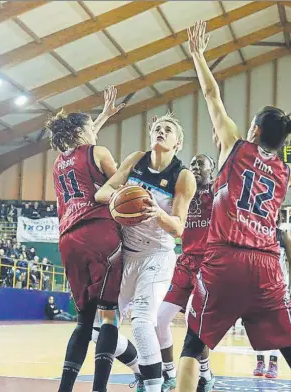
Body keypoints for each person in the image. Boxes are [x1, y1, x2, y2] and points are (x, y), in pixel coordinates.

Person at [177, 21, 291, 392]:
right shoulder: (288, 169)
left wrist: (198, 55)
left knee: (193, 344)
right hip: (267, 265)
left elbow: (211, 94)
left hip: (225, 259)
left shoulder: (234, 146)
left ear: (253, 130)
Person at [96, 113, 197, 392]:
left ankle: (153, 385)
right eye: (157, 128)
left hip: (157, 255)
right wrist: (120, 197)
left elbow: (178, 227)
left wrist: (156, 212)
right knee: (99, 332)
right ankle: (143, 371)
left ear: (178, 143)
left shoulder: (183, 176)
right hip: (126, 255)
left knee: (142, 323)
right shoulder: (136, 160)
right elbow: (103, 192)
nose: (160, 132)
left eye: (167, 130)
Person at [49, 86, 141, 392]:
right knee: (109, 319)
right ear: (81, 131)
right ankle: (99, 389)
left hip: (67, 239)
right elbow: (119, 187)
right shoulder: (99, 153)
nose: (96, 133)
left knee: (83, 322)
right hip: (98, 233)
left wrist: (102, 115)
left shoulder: (58, 162)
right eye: (93, 128)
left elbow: (80, 145)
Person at [155, 153, 215, 392]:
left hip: (209, 265)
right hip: (184, 262)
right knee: (159, 320)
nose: (195, 167)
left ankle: (205, 374)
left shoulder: (218, 193)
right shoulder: (181, 194)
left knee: (195, 321)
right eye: (192, 164)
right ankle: (168, 373)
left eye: (201, 163)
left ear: (212, 168)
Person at [253, 216, 291, 379]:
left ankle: (273, 363)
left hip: (278, 286)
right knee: (257, 326)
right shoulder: (255, 233)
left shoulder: (282, 236)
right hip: (257, 286)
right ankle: (259, 361)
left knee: (275, 326)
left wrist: (290, 287)